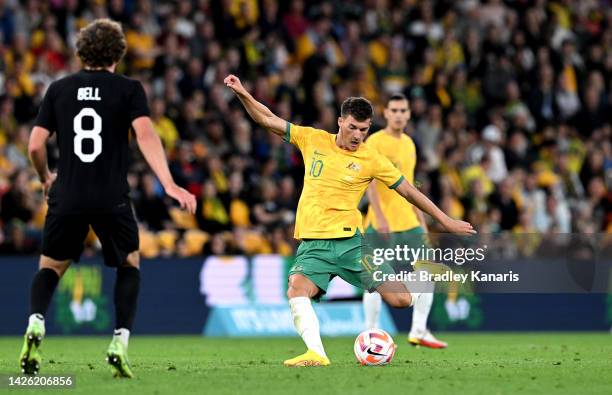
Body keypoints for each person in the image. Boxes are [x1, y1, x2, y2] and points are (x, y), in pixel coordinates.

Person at [224, 74, 475, 366]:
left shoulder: (372, 158)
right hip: (314, 244)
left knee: (402, 300)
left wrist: (444, 220)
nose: (358, 135)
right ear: (341, 122)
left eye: (364, 130)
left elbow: (407, 190)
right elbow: (267, 119)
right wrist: (242, 92)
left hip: (351, 246)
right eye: (353, 127)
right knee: (296, 288)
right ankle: (316, 353)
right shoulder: (313, 139)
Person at [20, 19, 196, 378]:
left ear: (81, 50)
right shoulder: (129, 89)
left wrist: (45, 177)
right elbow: (146, 136)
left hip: (67, 193)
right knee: (129, 263)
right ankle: (119, 340)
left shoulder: (59, 88)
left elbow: (35, 144)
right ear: (119, 52)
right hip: (111, 196)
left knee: (51, 267)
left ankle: (37, 321)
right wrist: (169, 183)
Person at [363, 93, 447, 349]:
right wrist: (378, 215)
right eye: (394, 110)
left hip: (407, 219)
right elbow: (369, 181)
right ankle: (370, 333)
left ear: (409, 114)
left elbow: (409, 186)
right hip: (380, 222)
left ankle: (419, 330)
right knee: (374, 280)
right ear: (386, 113)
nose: (399, 114)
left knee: (428, 270)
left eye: (403, 110)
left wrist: (421, 218)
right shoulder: (375, 141)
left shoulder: (410, 144)